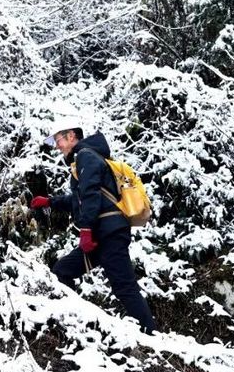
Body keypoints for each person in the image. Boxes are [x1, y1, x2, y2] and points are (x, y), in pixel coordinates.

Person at [30, 119, 156, 334]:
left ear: (71, 136)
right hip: (102, 233)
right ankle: (76, 326)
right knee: (62, 270)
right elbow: (81, 198)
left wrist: (86, 230)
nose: (57, 146)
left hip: (108, 233)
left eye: (58, 140)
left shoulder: (85, 156)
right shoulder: (89, 157)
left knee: (125, 287)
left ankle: (152, 336)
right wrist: (50, 202)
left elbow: (90, 194)